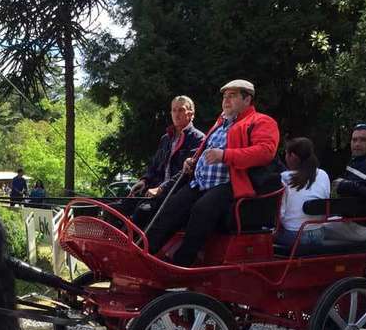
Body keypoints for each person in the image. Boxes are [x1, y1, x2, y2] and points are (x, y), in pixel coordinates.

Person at [145, 79, 280, 266]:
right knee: (171, 207)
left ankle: (181, 264)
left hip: (231, 184)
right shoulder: (220, 122)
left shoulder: (261, 121)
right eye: (225, 96)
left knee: (202, 209)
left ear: (247, 99)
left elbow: (265, 152)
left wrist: (225, 155)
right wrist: (193, 161)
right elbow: (205, 149)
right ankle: (144, 255)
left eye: (232, 96)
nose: (226, 100)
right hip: (201, 183)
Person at [129, 96, 205, 228]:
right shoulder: (166, 138)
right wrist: (144, 180)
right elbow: (154, 165)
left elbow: (186, 174)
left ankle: (135, 247)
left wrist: (162, 188)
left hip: (175, 193)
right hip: (154, 190)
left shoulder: (198, 139)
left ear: (191, 114)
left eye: (181, 110)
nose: (176, 114)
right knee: (120, 206)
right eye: (173, 110)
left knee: (142, 211)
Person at [323, 123, 366, 242]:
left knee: (309, 231)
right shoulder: (359, 161)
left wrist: (345, 185)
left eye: (363, 140)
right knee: (311, 226)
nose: (357, 144)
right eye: (354, 140)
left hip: (361, 227)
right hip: (350, 222)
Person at [275, 137, 330, 249]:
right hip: (319, 234)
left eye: (286, 154)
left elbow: (280, 214)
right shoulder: (323, 174)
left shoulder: (284, 178)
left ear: (293, 157)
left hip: (295, 236)